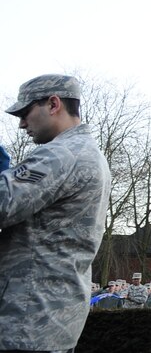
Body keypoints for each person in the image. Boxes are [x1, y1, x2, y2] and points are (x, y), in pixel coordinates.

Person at [0, 74, 112, 351]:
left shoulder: (62, 155)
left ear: (53, 104)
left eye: (25, 113)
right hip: (48, 318)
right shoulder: (86, 152)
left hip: (27, 320)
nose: (22, 123)